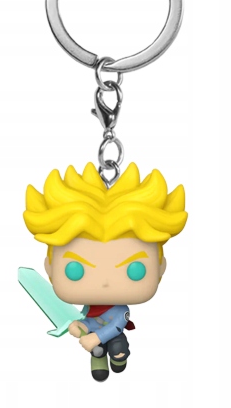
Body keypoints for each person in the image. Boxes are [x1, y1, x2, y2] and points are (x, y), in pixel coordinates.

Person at [23, 162, 187, 381]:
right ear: (49, 268)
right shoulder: (90, 308)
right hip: (94, 336)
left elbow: (117, 325)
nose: (105, 283)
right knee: (96, 350)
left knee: (117, 347)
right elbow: (91, 320)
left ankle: (118, 360)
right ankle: (99, 361)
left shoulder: (120, 311)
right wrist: (81, 325)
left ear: (161, 268)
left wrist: (95, 336)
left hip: (112, 336)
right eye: (75, 270)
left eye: (135, 270)